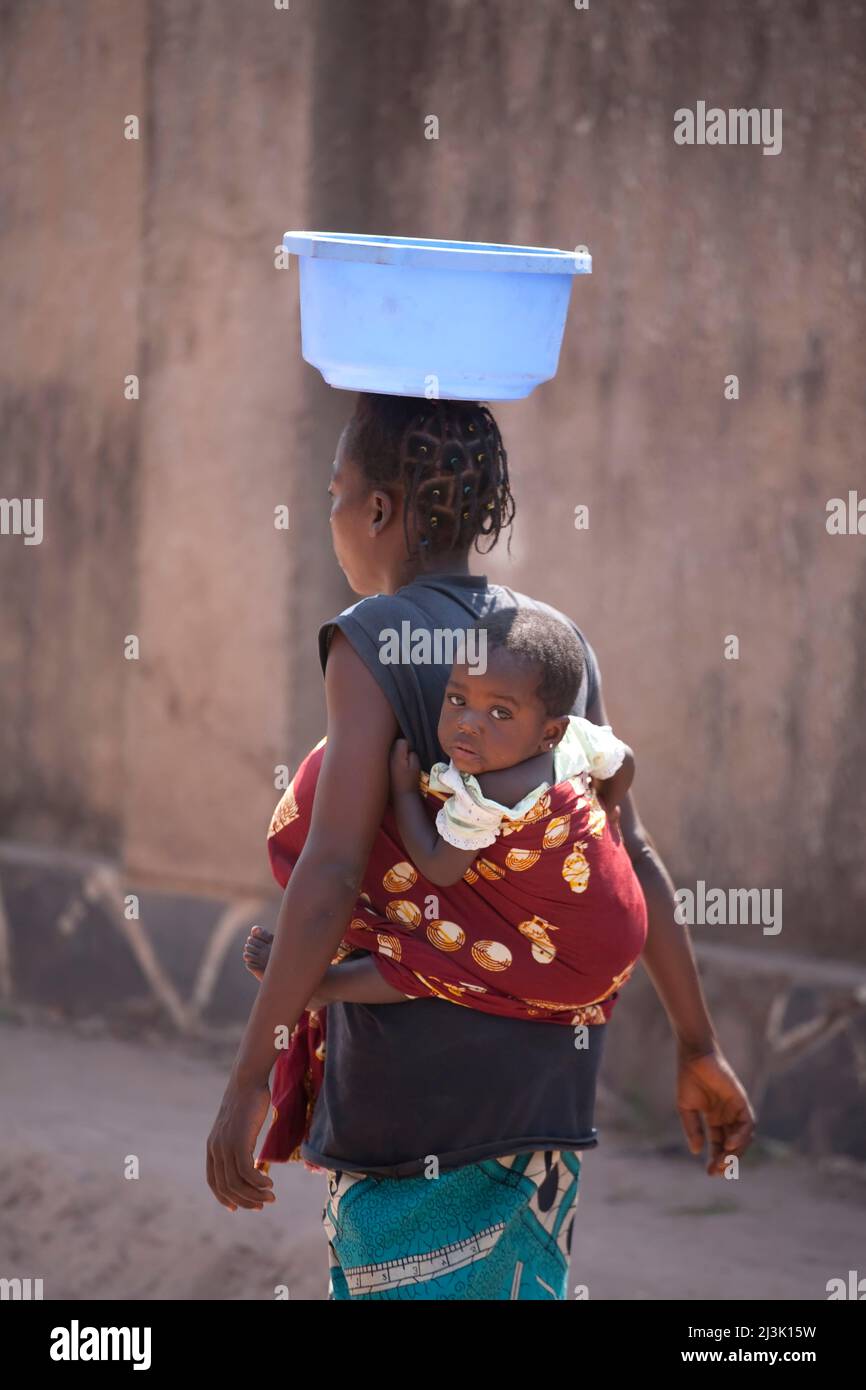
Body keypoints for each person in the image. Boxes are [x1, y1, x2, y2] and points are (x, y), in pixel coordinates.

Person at [206, 393, 756, 1301]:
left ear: (378, 510)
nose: (331, 511)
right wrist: (698, 1044)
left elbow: (333, 868)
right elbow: (631, 855)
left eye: (335, 490)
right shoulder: (551, 645)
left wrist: (246, 1083)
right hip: (543, 1104)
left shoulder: (371, 638)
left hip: (406, 1098)